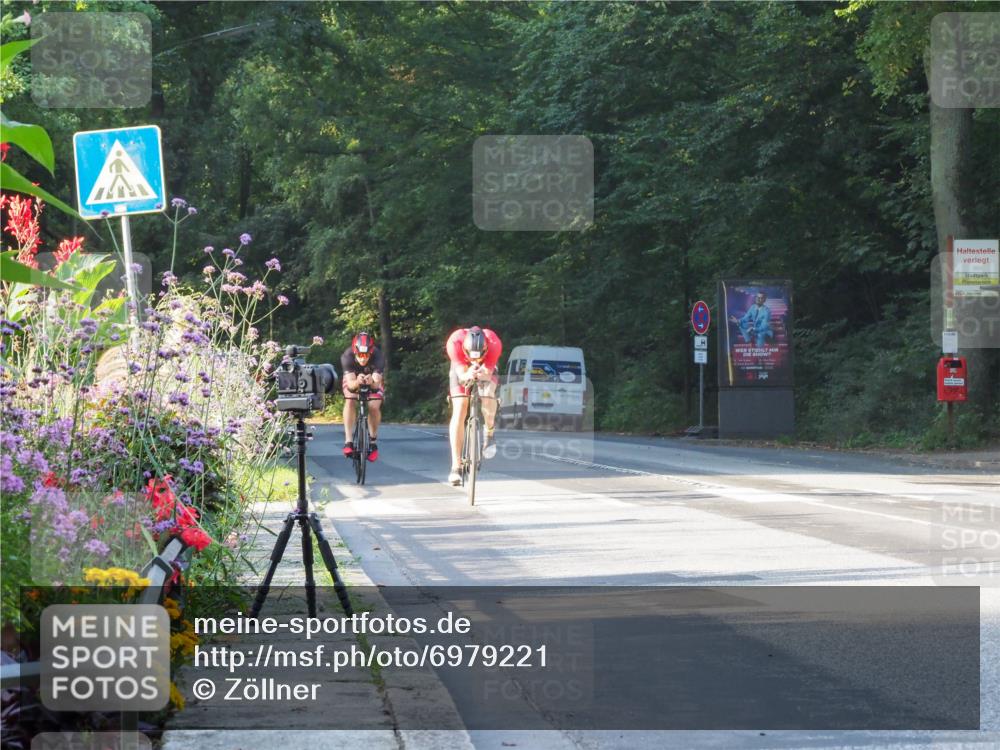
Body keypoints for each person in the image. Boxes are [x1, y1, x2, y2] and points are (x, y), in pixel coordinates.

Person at [445, 325, 502, 486]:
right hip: (461, 367)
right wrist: (467, 373)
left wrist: (480, 372)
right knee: (460, 405)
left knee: (488, 393)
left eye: (479, 356)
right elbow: (461, 375)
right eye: (472, 356)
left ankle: (489, 432)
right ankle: (456, 467)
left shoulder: (493, 342)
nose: (475, 360)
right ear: (465, 348)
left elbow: (488, 373)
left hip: (487, 367)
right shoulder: (455, 342)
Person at [340, 332, 385, 462]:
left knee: (373, 405)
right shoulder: (347, 356)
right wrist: (357, 382)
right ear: (355, 352)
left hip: (372, 378)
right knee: (350, 400)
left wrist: (372, 381)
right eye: (360, 355)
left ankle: (373, 441)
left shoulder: (378, 357)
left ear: (371, 352)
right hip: (354, 378)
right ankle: (348, 441)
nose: (363, 359)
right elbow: (351, 386)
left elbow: (376, 386)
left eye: (366, 355)